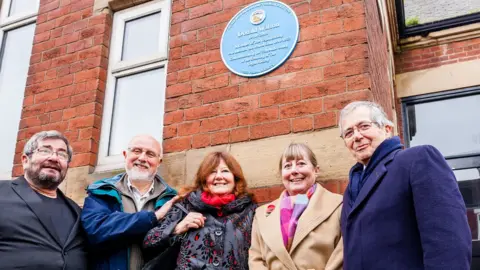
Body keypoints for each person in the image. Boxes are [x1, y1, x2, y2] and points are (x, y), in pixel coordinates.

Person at [339, 101, 472, 269]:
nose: (357, 136)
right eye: (349, 133)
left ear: (387, 129)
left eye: (364, 126)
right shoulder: (352, 188)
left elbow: (449, 244)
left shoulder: (417, 160)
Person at [143, 151, 256, 269]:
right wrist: (176, 229)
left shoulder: (250, 211)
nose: (218, 176)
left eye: (225, 171)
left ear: (235, 178)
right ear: (204, 179)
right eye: (212, 172)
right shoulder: (184, 206)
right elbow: (148, 242)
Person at [81, 135, 178, 270]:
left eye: (150, 154)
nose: (142, 158)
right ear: (125, 155)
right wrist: (153, 218)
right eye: (137, 151)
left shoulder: (172, 199)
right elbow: (96, 230)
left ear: (159, 161)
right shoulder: (102, 192)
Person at [0, 130, 88, 269]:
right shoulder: (2, 193)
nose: (54, 158)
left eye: (62, 154)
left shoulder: (76, 211)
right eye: (45, 151)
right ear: (25, 160)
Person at [249, 143, 343, 270]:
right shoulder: (261, 215)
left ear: (316, 170)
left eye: (301, 164)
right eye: (287, 166)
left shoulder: (338, 205)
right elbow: (256, 260)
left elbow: (341, 256)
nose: (294, 171)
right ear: (281, 174)